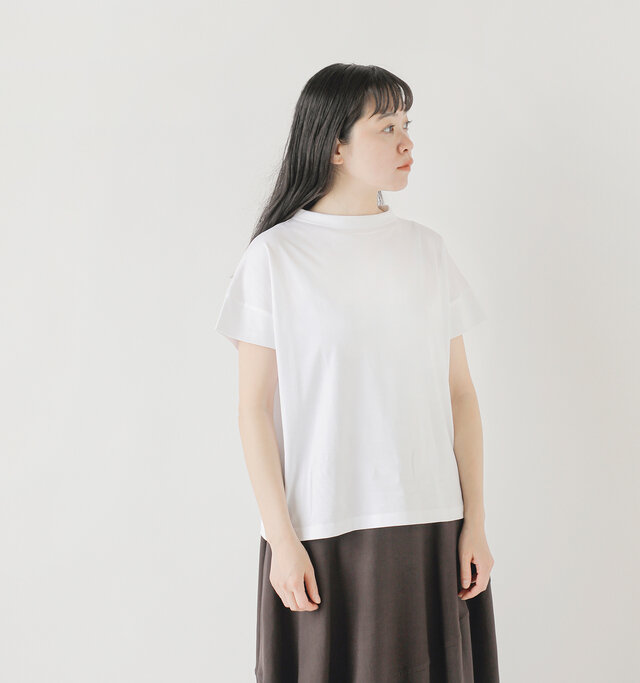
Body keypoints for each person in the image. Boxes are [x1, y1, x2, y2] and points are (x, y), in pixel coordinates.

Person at [215, 63, 500, 682]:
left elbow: (460, 394)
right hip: (323, 529)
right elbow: (253, 411)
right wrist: (281, 539)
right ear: (335, 146)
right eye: (386, 127)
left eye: (407, 125)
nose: (406, 142)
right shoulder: (275, 257)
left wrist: (474, 523)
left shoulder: (426, 250)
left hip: (430, 522)